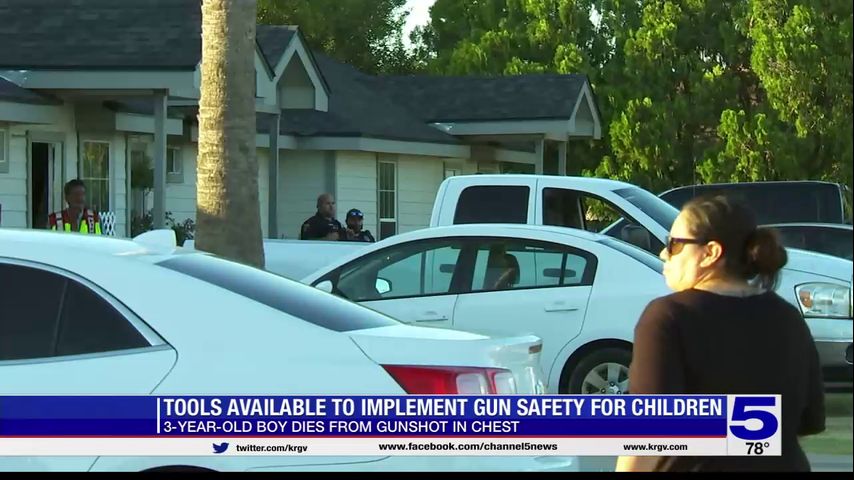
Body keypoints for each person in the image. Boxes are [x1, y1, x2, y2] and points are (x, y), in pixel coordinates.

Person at [616, 195, 825, 472]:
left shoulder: (668, 317)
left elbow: (648, 435)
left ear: (710, 252)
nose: (664, 254)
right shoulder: (787, 316)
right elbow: (806, 421)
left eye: (674, 244)